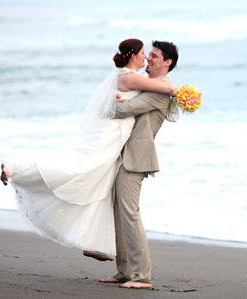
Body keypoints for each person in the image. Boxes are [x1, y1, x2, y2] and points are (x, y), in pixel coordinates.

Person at [0, 39, 176, 260]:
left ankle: (95, 244)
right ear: (133, 57)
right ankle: (16, 167)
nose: (146, 57)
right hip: (109, 135)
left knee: (99, 183)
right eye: (143, 53)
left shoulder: (128, 77)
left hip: (116, 138)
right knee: (80, 170)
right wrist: (183, 93)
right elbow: (166, 88)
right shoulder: (131, 77)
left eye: (151, 55)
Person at [99, 41, 179, 289]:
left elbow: (125, 110)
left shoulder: (161, 89)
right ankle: (124, 271)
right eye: (148, 55)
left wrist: (106, 101)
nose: (148, 59)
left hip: (137, 157)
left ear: (167, 63)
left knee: (130, 214)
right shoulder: (150, 86)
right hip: (123, 153)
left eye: (154, 56)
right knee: (119, 213)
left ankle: (142, 276)